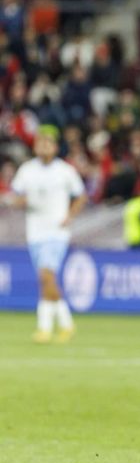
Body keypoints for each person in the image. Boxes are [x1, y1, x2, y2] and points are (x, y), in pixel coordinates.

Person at [8, 125, 87, 343]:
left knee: (46, 276)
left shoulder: (65, 170)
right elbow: (15, 197)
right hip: (35, 232)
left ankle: (44, 328)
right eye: (40, 142)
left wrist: (70, 215)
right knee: (46, 279)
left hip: (56, 232)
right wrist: (22, 202)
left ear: (54, 146)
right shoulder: (26, 170)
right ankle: (66, 324)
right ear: (35, 147)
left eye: (48, 143)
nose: (44, 146)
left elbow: (81, 196)